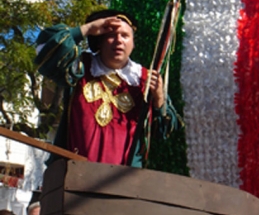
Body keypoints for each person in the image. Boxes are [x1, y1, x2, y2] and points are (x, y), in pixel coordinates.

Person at [34, 9, 179, 167]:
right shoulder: (80, 67)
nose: (119, 41)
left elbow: (163, 132)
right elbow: (43, 48)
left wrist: (159, 100)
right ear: (99, 41)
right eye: (111, 36)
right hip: (74, 177)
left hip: (122, 183)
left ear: (133, 42)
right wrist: (86, 29)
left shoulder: (145, 79)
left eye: (125, 35)